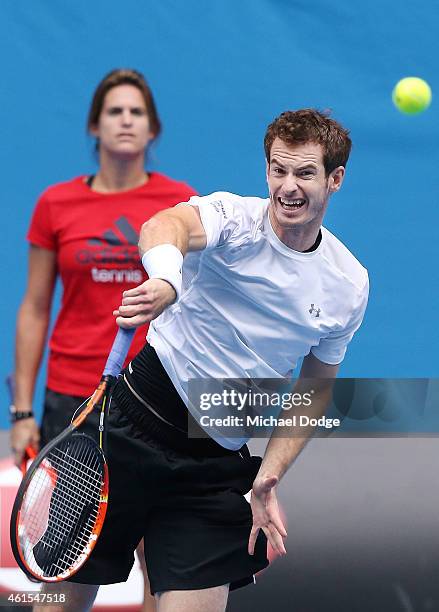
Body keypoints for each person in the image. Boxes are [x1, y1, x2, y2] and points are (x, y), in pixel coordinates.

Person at [37, 109, 369, 612]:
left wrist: (269, 474)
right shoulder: (233, 217)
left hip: (212, 466)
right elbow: (164, 224)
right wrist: (167, 279)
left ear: (335, 179)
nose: (288, 187)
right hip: (127, 430)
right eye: (278, 170)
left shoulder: (348, 283)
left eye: (304, 173)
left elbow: (315, 389)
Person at [10, 68, 196, 612]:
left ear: (153, 130)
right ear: (95, 125)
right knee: (66, 574)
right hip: (76, 403)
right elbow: (35, 307)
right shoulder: (55, 205)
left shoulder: (180, 203)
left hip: (156, 403)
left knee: (161, 571)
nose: (126, 121)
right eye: (115, 111)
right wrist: (22, 407)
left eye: (137, 112)